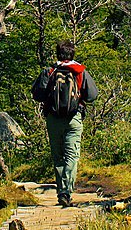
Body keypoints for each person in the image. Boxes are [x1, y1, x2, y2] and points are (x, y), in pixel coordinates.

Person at [31, 39, 98, 208]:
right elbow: (91, 96)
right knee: (72, 155)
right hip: (74, 118)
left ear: (57, 53)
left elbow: (37, 95)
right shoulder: (80, 71)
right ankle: (67, 191)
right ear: (72, 54)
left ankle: (61, 191)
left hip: (53, 119)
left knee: (58, 156)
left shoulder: (50, 71)